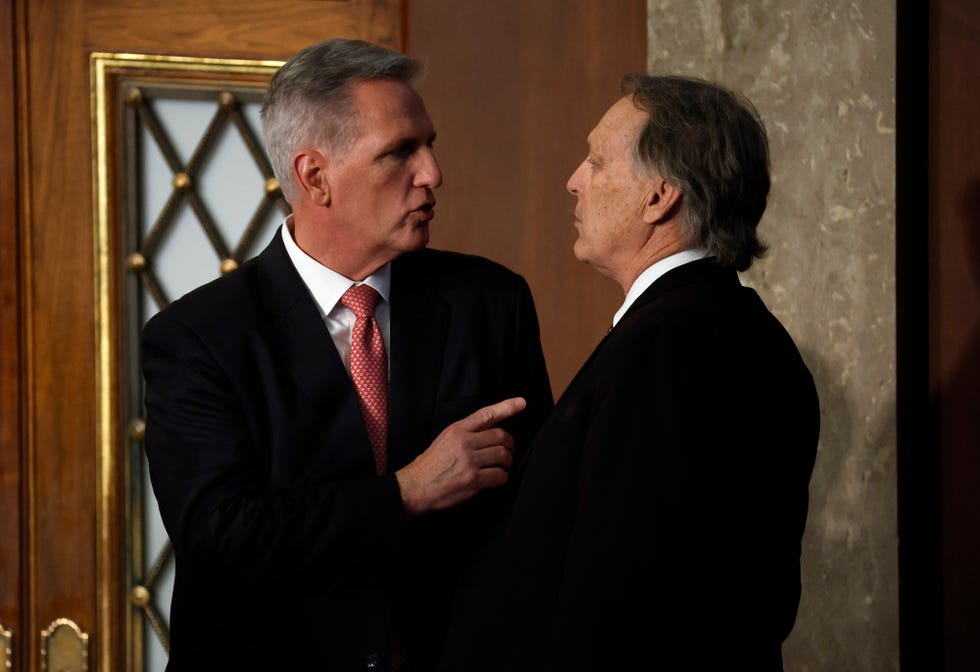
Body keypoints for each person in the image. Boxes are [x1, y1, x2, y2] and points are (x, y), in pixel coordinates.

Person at [141, 38, 553, 671]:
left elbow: (537, 520)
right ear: (315, 177)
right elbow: (221, 540)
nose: (432, 173)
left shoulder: (491, 301)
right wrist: (408, 491)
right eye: (399, 153)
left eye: (429, 144)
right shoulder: (197, 336)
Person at [441, 74, 820, 671]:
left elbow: (617, 598)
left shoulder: (667, 346)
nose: (574, 180)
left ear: (658, 197)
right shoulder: (742, 331)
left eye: (596, 160)